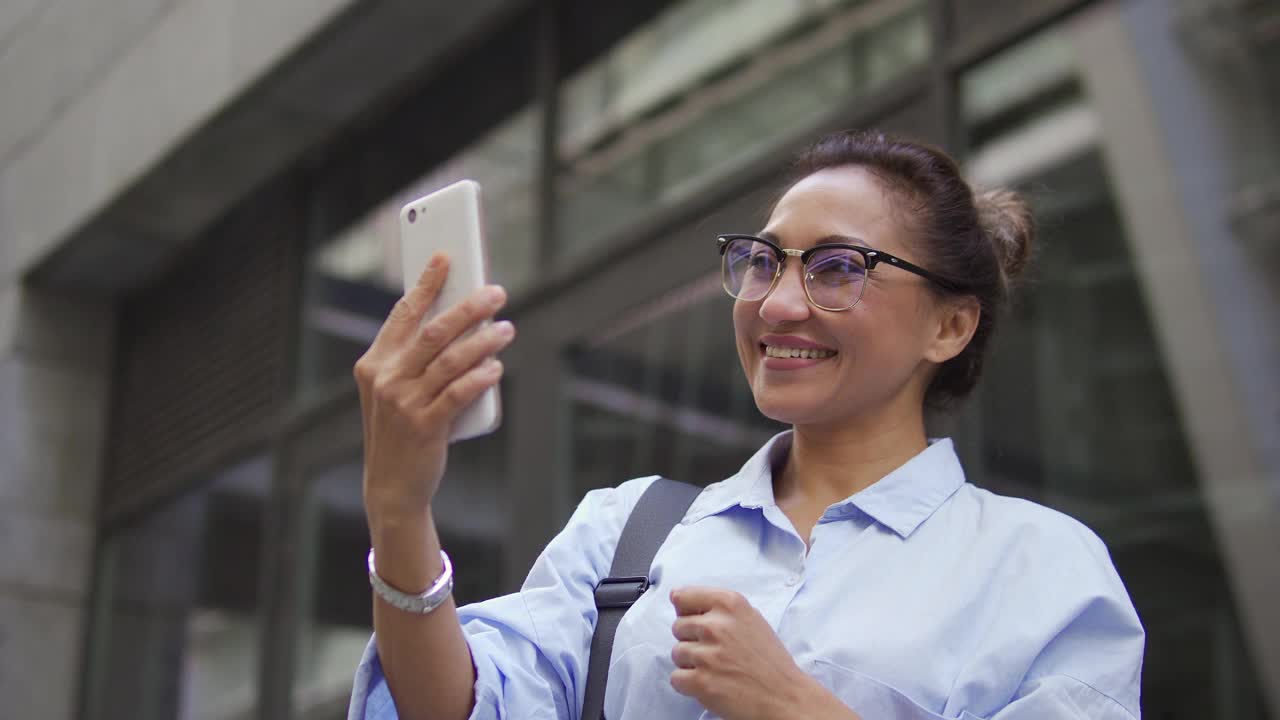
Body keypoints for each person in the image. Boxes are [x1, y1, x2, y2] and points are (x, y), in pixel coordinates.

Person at [347, 130, 1145, 720]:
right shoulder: (628, 533)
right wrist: (398, 507)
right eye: (764, 261)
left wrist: (793, 705)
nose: (778, 302)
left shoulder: (1039, 568)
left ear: (950, 327)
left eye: (838, 269)